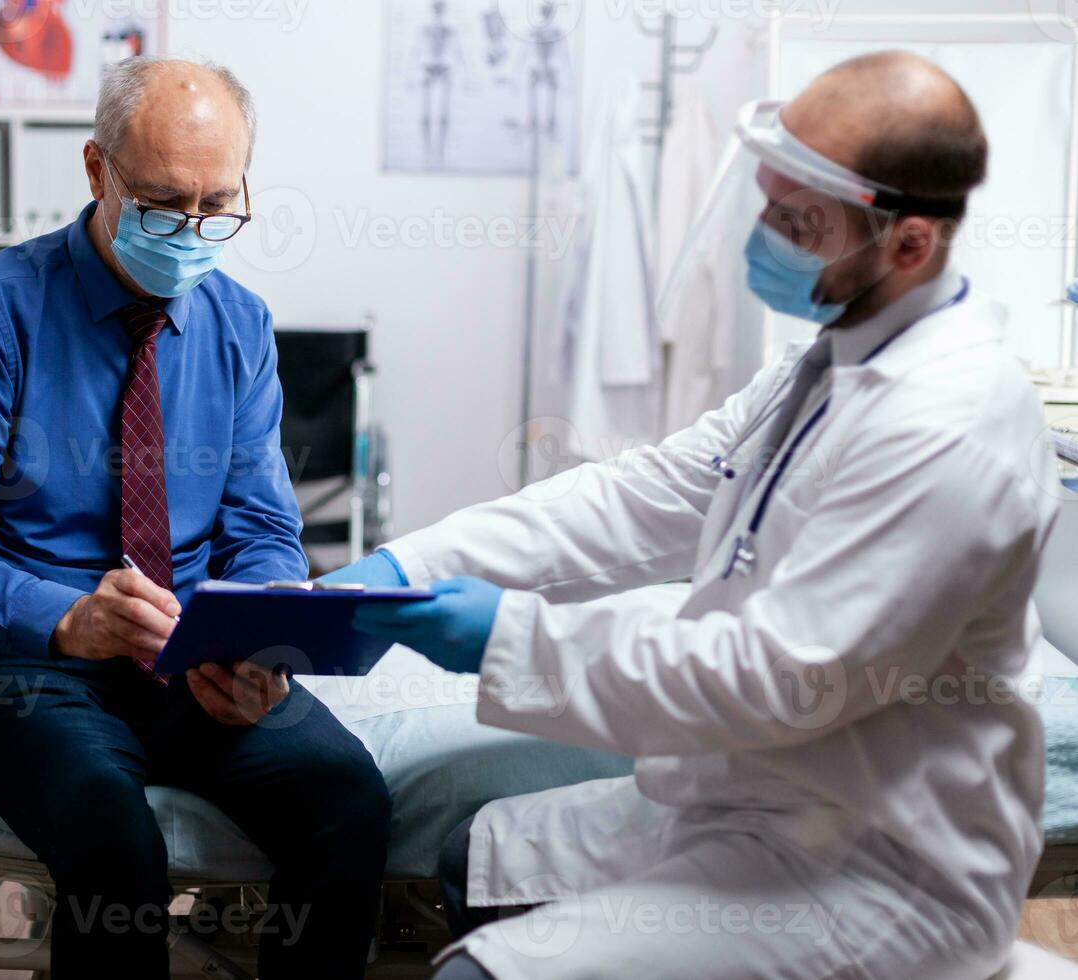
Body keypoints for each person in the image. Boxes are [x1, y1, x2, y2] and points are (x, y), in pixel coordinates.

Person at [326, 52, 1057, 979]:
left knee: (473, 973)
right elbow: (641, 496)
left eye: (798, 223)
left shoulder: (949, 426)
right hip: (754, 795)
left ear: (909, 245)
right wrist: (412, 563)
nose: (768, 238)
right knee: (467, 855)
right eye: (767, 205)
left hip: (875, 867)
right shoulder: (821, 367)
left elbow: (779, 679)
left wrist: (511, 641)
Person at [0, 58, 391, 979]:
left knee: (349, 802)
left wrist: (266, 636)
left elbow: (263, 526)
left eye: (216, 205)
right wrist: (65, 619)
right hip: (28, 666)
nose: (191, 233)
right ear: (95, 170)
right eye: (160, 203)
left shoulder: (238, 325)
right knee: (118, 850)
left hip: (195, 657)